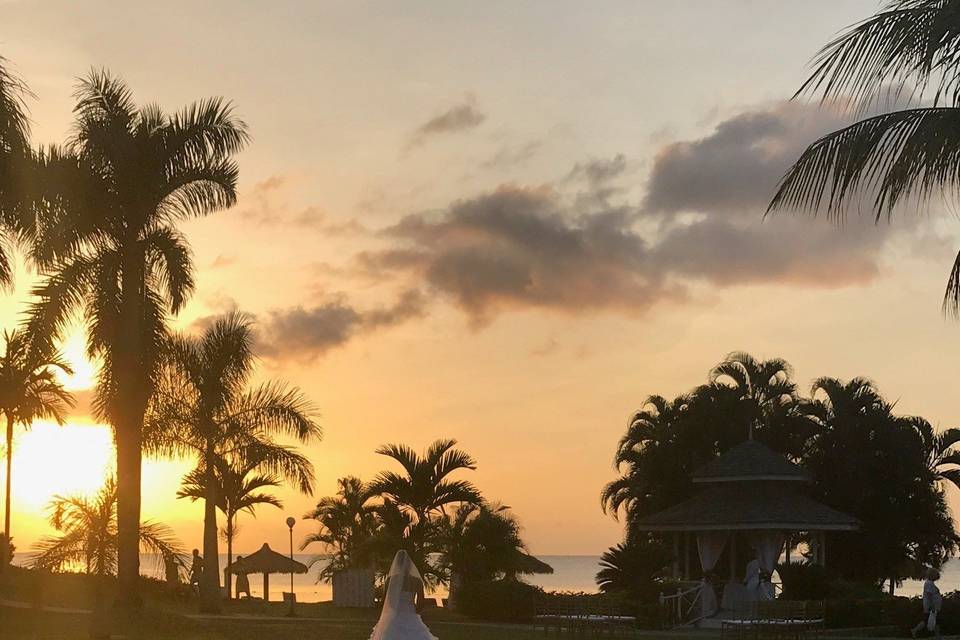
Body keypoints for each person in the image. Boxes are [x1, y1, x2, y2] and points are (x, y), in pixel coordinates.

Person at [369, 550, 437, 640]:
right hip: (410, 615)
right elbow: (421, 602)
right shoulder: (416, 581)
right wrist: (412, 612)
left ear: (396, 565)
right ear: (409, 565)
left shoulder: (390, 581)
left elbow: (385, 601)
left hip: (394, 617)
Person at [913, 568, 943, 639]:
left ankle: (937, 636)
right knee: (927, 620)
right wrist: (932, 606)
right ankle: (915, 630)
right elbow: (929, 595)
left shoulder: (930, 583)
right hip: (931, 606)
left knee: (933, 620)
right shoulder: (929, 583)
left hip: (933, 606)